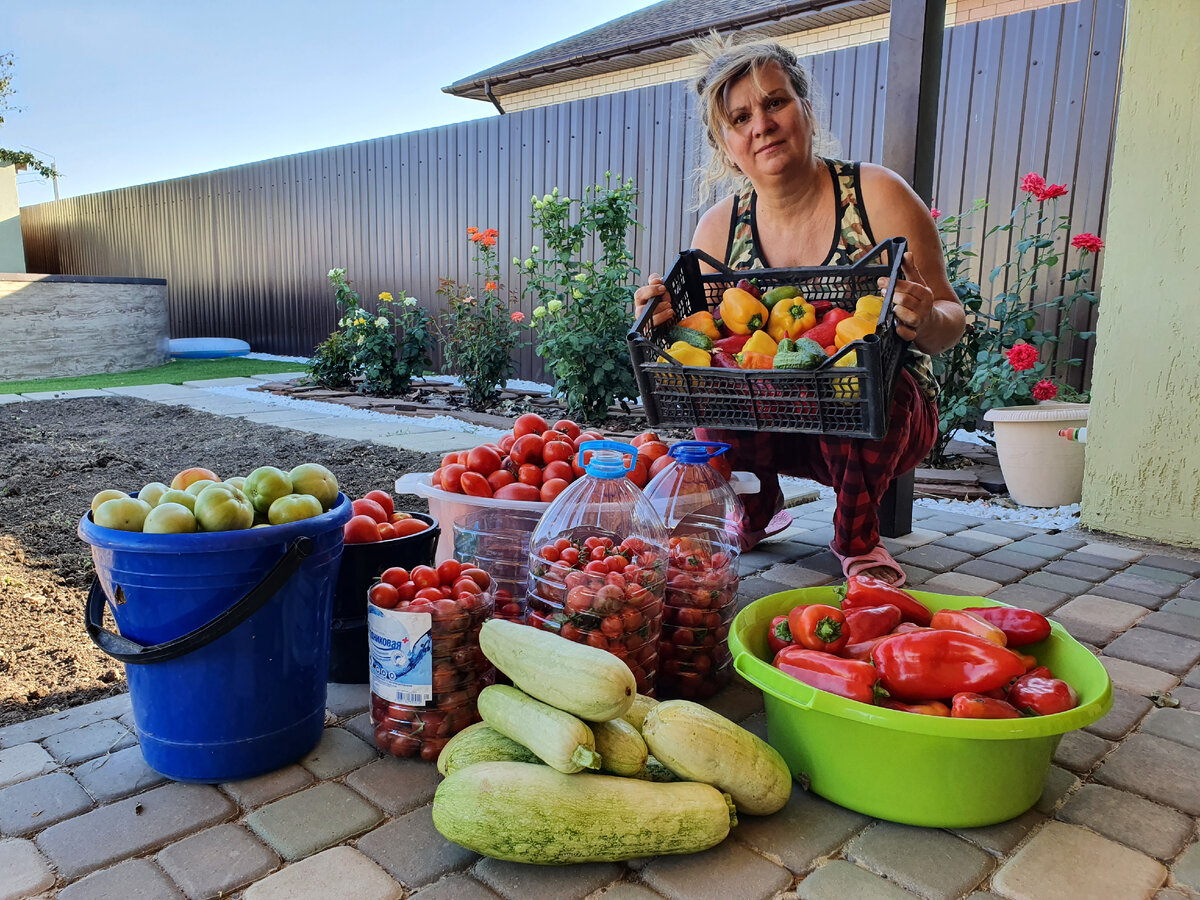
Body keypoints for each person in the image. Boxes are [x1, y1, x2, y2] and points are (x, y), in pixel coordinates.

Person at [633, 35, 964, 586]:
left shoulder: (876, 195)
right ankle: (756, 511)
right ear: (725, 146)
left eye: (775, 102)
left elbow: (950, 315)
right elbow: (709, 343)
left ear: (805, 109)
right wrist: (666, 322)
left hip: (882, 421)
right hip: (773, 419)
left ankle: (857, 540)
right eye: (740, 117)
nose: (760, 124)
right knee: (715, 380)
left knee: (857, 377)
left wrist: (926, 319)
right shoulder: (719, 227)